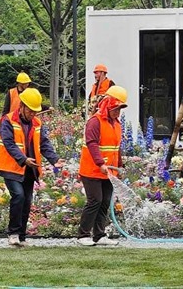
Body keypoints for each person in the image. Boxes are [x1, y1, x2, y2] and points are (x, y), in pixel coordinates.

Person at [0, 87, 63, 247]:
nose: (33, 114)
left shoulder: (37, 123)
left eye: (35, 111)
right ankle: (13, 233)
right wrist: (23, 159)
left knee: (27, 201)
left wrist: (55, 160)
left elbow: (44, 143)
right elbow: (9, 144)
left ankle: (21, 236)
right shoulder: (7, 120)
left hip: (29, 168)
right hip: (11, 167)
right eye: (31, 110)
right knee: (18, 196)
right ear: (22, 106)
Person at [77, 84, 128, 247]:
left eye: (120, 109)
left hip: (108, 172)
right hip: (92, 170)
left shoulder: (117, 124)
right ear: (108, 105)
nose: (118, 112)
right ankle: (83, 235)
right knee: (95, 200)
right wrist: (100, 163)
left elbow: (116, 147)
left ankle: (99, 235)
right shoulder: (94, 122)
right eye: (116, 108)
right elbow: (92, 144)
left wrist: (119, 165)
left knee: (105, 201)